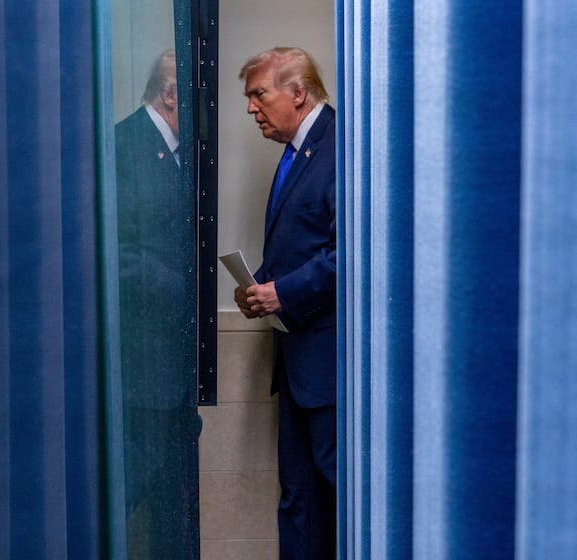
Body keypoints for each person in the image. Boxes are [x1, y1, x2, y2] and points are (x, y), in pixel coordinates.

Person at [235, 47, 337, 559]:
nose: (251, 108)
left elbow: (354, 253)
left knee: (336, 491)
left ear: (297, 93)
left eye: (259, 94)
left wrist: (286, 292)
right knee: (299, 498)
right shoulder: (298, 150)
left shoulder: (340, 146)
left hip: (328, 363)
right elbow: (306, 244)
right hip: (296, 360)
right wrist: (259, 289)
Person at [114, 49, 199, 559]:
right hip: (141, 365)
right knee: (133, 485)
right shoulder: (124, 146)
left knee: (175, 499)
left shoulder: (174, 151)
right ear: (172, 94)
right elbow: (114, 253)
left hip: (174, 368)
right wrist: (183, 286)